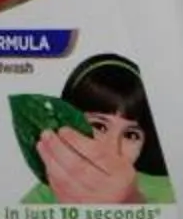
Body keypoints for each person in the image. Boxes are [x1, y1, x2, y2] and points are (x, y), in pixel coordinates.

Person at [25, 53, 174, 207]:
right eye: (99, 126)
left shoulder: (170, 193)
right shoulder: (38, 201)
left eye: (130, 135)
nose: (112, 148)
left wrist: (130, 203)